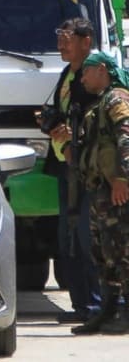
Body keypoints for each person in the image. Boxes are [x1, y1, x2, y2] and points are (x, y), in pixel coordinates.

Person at [43, 18, 101, 324]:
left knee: (87, 237)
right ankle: (81, 306)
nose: (61, 43)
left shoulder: (95, 76)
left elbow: (99, 123)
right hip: (66, 166)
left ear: (86, 41)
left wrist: (73, 137)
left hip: (87, 169)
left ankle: (97, 305)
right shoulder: (66, 74)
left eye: (67, 37)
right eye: (60, 36)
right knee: (68, 238)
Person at [73, 52, 129, 335]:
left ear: (102, 70)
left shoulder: (117, 99)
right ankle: (108, 309)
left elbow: (126, 137)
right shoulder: (101, 101)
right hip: (101, 190)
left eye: (87, 72)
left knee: (123, 251)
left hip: (117, 190)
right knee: (104, 252)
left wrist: (123, 178)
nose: (82, 79)